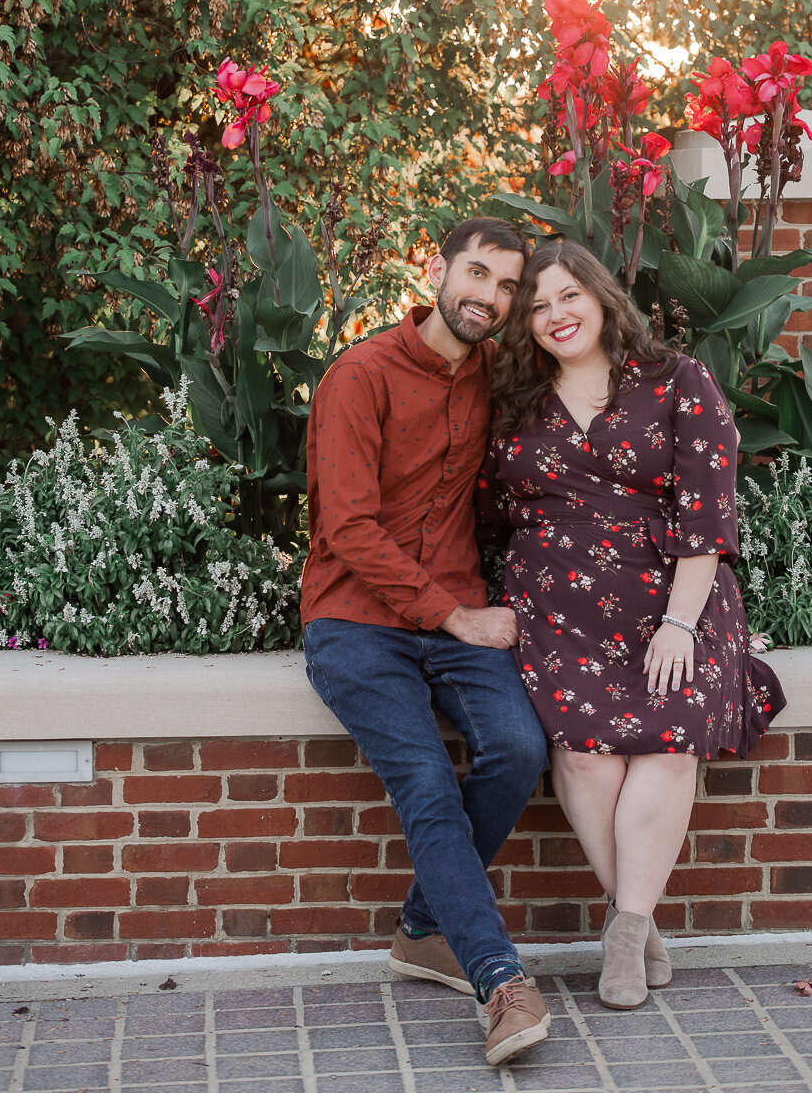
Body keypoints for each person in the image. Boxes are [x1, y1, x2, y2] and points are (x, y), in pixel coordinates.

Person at [477, 239, 786, 1010]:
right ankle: (637, 922)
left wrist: (680, 626)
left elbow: (707, 513)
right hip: (556, 612)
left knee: (667, 745)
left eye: (567, 297)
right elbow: (487, 509)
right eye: (537, 306)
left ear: (600, 296)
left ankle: (622, 934)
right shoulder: (514, 399)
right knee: (583, 759)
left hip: (670, 603)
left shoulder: (676, 380)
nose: (554, 316)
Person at [300, 218, 552, 1066]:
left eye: (507, 286)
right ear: (436, 269)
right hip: (356, 622)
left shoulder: (497, 378)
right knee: (426, 781)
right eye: (477, 275)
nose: (489, 297)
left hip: (455, 616)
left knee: (517, 750)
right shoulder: (360, 375)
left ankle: (421, 925)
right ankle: (498, 982)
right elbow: (348, 528)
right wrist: (452, 616)